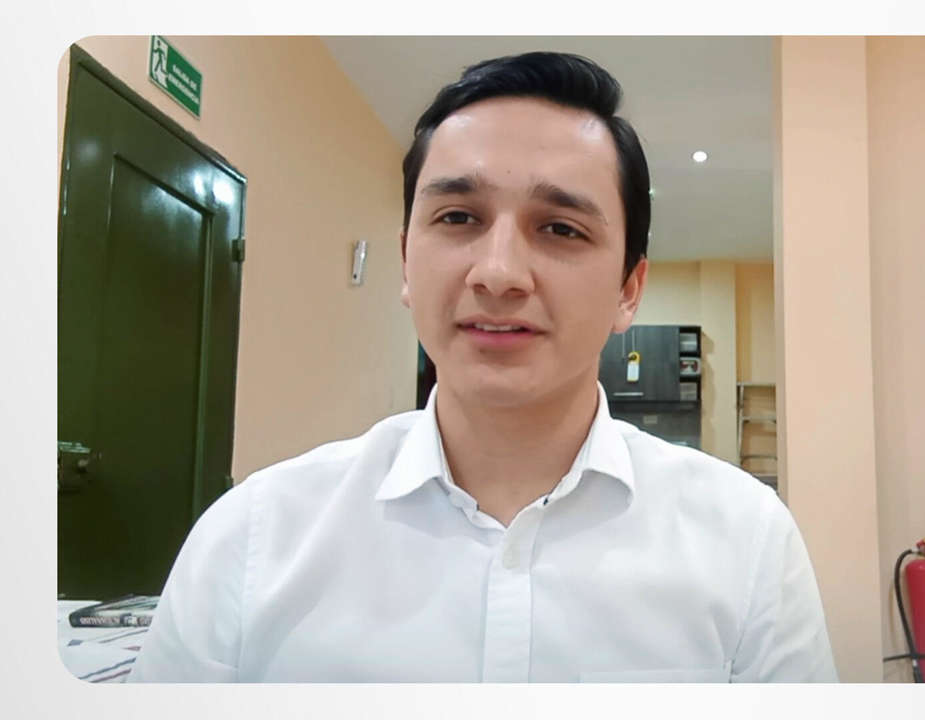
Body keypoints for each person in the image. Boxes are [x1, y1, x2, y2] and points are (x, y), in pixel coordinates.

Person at [129, 51, 837, 683]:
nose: (498, 274)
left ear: (629, 288)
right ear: (406, 262)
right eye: (459, 218)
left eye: (560, 228)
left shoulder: (745, 542)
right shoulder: (254, 538)